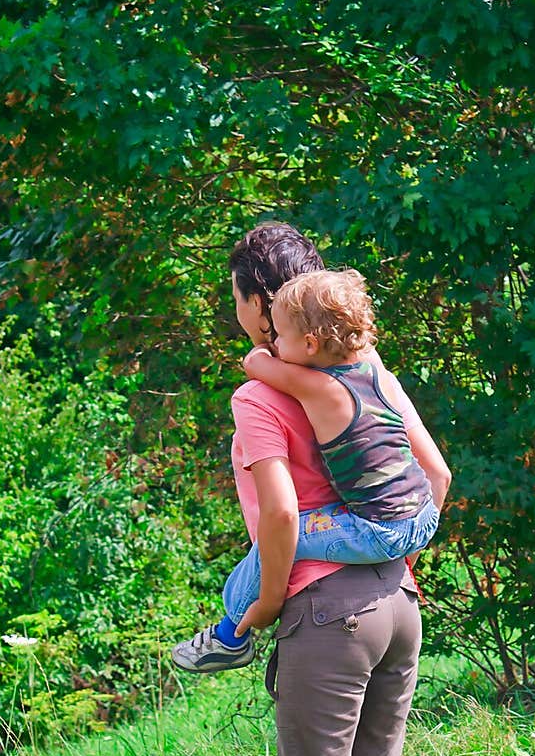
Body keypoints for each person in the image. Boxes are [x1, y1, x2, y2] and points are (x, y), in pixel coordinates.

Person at [184, 221, 451, 756]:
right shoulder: (367, 369)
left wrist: (267, 601)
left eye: (233, 293)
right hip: (399, 602)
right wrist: (392, 554)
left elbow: (276, 514)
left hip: (327, 615)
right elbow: (436, 475)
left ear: (256, 301)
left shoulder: (259, 398)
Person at [171, 267, 440, 672]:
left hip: (380, 530)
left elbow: (256, 366)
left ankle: (233, 633)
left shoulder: (320, 388)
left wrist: (261, 351)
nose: (275, 344)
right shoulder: (375, 373)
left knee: (281, 535)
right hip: (423, 516)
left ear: (311, 343)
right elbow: (440, 474)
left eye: (279, 335)